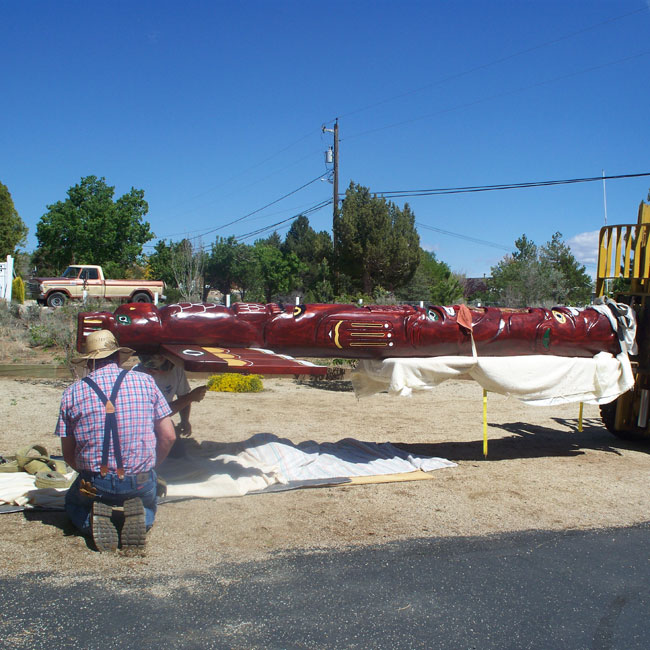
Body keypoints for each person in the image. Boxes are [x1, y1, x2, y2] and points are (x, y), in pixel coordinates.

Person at [56, 330, 176, 552]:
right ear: (117, 357)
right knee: (148, 502)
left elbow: (68, 454)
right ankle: (143, 518)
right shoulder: (146, 382)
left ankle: (91, 520)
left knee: (73, 503)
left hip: (95, 481)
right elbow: (169, 436)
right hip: (139, 479)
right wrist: (150, 466)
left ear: (89, 362)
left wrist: (87, 472)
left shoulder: (71, 393)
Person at [135, 353, 207, 455]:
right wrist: (191, 397)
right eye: (151, 369)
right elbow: (155, 415)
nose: (152, 372)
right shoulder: (137, 375)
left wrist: (184, 420)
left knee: (178, 452)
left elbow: (182, 395)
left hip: (160, 420)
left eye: (156, 369)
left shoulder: (176, 370)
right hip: (142, 425)